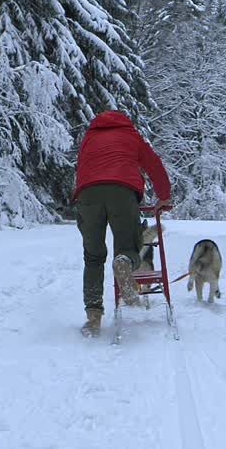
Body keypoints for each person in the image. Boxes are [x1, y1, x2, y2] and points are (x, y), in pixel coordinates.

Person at [73, 111, 171, 337]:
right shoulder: (131, 135)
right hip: (122, 192)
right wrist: (164, 196)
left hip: (87, 195)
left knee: (93, 256)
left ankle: (94, 317)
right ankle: (124, 260)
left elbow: (83, 168)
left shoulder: (89, 138)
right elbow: (153, 164)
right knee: (128, 246)